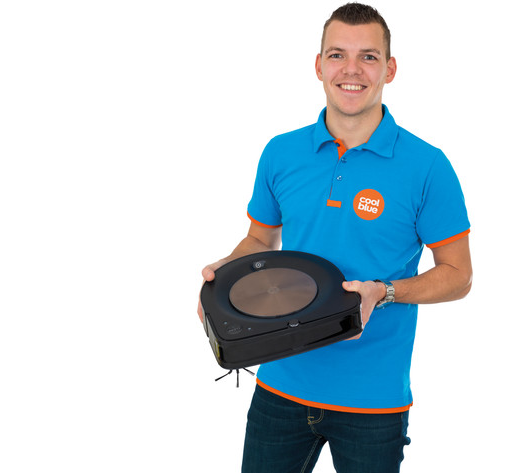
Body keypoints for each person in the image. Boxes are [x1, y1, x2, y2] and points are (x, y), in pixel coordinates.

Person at [198, 3, 471, 472]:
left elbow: (459, 275)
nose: (351, 70)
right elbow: (259, 241)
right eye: (337, 54)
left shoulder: (428, 166)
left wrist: (384, 291)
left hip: (373, 401)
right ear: (319, 65)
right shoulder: (281, 152)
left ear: (390, 69)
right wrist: (226, 274)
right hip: (280, 382)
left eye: (368, 57)